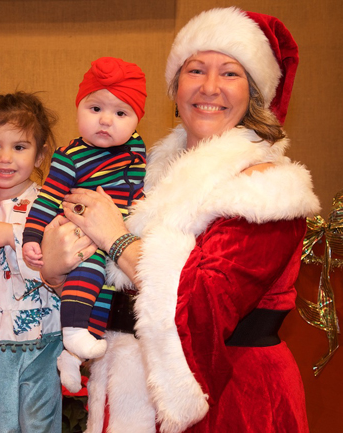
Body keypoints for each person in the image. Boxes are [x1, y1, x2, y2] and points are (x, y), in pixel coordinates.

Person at [40, 7, 318, 432]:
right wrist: (57, 270)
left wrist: (115, 237)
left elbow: (203, 300)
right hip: (131, 391)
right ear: (175, 86)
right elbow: (117, 292)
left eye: (230, 73)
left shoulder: (268, 190)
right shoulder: (144, 175)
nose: (209, 87)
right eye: (196, 70)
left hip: (231, 398)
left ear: (254, 94)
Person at [22, 57, 147, 365]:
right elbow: (48, 198)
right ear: (78, 109)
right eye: (95, 108)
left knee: (108, 293)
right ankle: (74, 331)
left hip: (118, 239)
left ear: (136, 120)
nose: (106, 120)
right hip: (84, 236)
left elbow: (139, 191)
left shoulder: (136, 151)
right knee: (89, 271)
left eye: (120, 113)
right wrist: (32, 237)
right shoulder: (71, 156)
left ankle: (73, 356)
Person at [0, 91, 62, 433]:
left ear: (40, 155)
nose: (5, 157)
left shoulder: (48, 205)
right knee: (3, 420)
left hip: (45, 332)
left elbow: (59, 260)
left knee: (40, 421)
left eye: (19, 147)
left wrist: (13, 234)